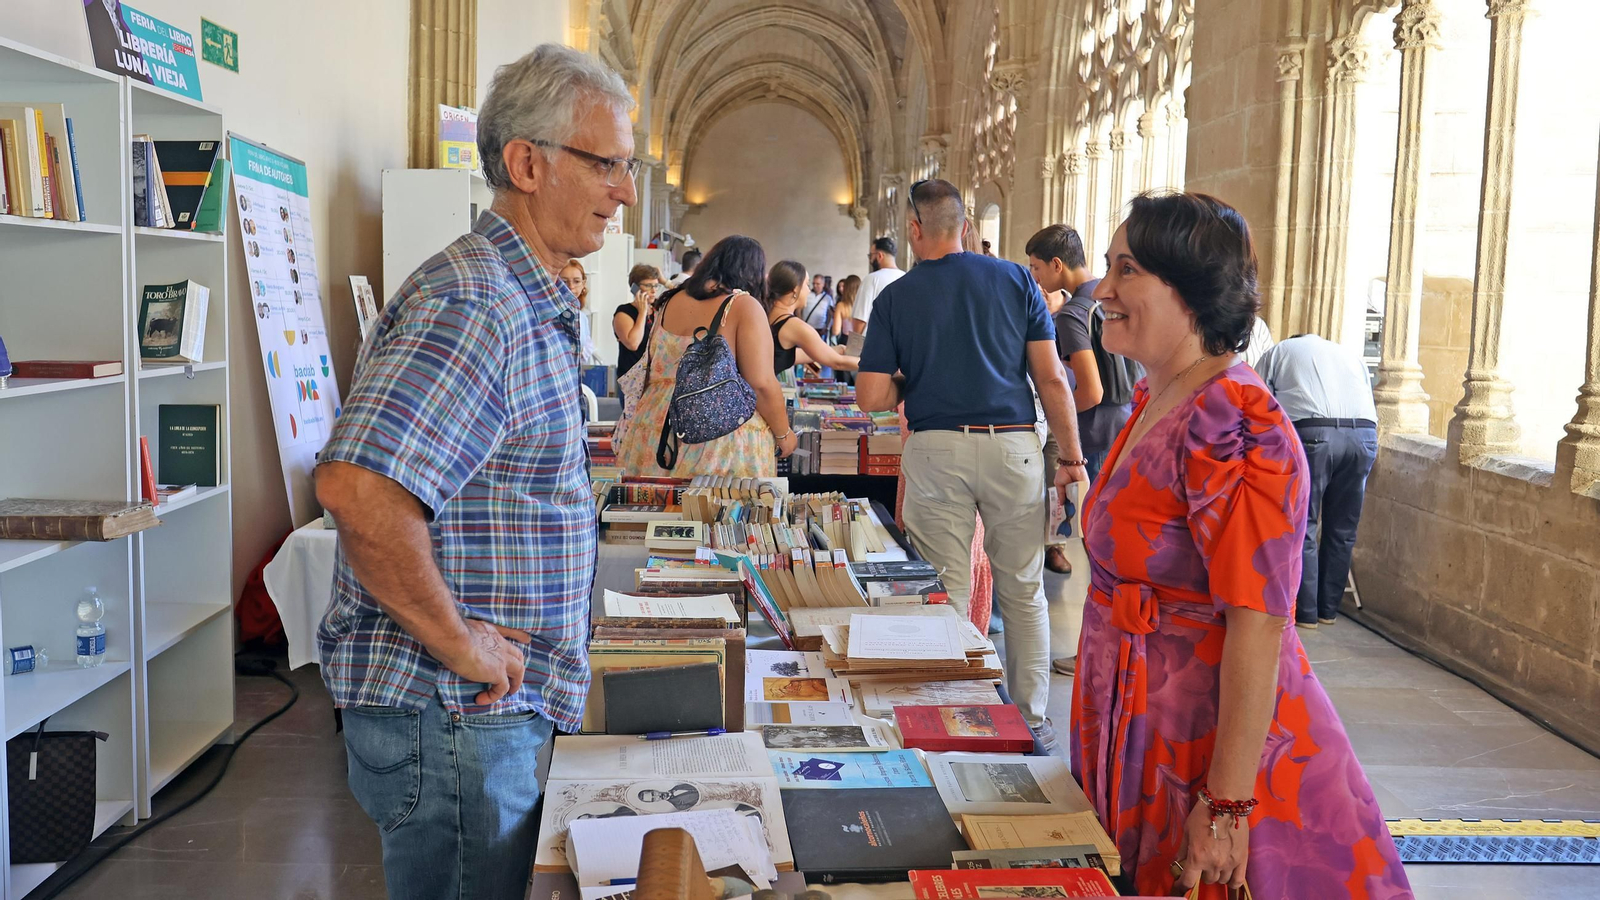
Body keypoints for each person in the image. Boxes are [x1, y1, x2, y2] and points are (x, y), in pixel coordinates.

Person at [313, 44, 636, 900]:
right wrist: (465, 645)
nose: (625, 190)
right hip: (454, 712)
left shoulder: (527, 293)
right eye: (607, 165)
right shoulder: (476, 302)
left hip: (478, 710)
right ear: (528, 163)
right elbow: (360, 489)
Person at [1070, 191, 1411, 898]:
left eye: (1126, 270)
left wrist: (1225, 806)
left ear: (1189, 291)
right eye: (1107, 267)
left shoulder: (1235, 419)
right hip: (1136, 712)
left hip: (1199, 735)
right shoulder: (1158, 396)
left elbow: (1258, 621)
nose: (1103, 289)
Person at [857, 179, 1089, 749]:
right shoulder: (1014, 278)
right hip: (1013, 444)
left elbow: (870, 396)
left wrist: (916, 381)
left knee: (948, 591)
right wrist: (1073, 458)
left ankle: (961, 715)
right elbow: (1052, 378)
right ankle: (1032, 720)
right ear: (964, 226)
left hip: (937, 448)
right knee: (1023, 589)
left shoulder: (895, 298)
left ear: (914, 230)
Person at [615, 235, 797, 476]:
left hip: (654, 427)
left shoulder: (670, 300)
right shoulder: (742, 306)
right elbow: (761, 383)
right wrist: (784, 434)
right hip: (713, 433)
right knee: (713, 510)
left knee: (659, 509)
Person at [1025, 225, 1140, 596]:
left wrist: (1057, 414)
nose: (1035, 278)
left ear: (1057, 265)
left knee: (1098, 543)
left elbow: (1091, 389)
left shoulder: (1074, 313)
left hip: (1094, 433)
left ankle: (1092, 651)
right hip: (1127, 422)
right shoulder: (1112, 300)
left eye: (1037, 268)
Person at [1254, 333, 1379, 628]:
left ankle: (1306, 614)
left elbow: (1256, 402)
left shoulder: (1279, 351)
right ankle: (1328, 611)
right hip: (1363, 436)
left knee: (1304, 524)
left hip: (1314, 435)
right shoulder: (1347, 354)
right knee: (1343, 529)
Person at [765, 260, 860, 377]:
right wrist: (877, 364)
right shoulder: (794, 325)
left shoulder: (767, 314)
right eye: (807, 284)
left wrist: (833, 350)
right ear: (795, 289)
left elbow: (787, 355)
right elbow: (837, 363)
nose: (809, 290)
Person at [614, 263, 664, 379]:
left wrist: (665, 282)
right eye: (648, 285)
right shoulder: (624, 312)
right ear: (634, 288)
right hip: (632, 379)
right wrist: (642, 312)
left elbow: (686, 296)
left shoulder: (658, 307)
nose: (653, 290)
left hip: (656, 377)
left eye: (656, 286)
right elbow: (633, 344)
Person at [852, 236, 903, 333]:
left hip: (874, 343)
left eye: (871, 256)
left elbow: (860, 319)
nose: (870, 260)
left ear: (880, 256)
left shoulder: (871, 279)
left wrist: (854, 347)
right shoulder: (906, 277)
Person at [559, 259, 600, 364]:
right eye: (564, 282)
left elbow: (587, 345)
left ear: (583, 284)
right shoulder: (550, 315)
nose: (571, 287)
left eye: (576, 281)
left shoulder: (582, 317)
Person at [831, 274, 861, 340]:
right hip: (862, 339)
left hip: (846, 339)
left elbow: (836, 331)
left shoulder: (841, 305)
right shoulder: (864, 304)